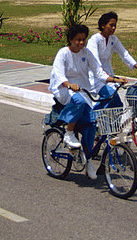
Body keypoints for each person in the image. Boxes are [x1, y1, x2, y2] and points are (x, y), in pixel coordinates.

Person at [49, 23, 126, 180]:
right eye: (78, 40)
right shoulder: (63, 53)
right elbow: (58, 74)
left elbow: (98, 72)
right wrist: (69, 84)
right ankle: (69, 133)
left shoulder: (86, 53)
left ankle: (88, 160)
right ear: (70, 39)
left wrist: (115, 79)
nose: (81, 43)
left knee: (91, 124)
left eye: (83, 39)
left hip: (83, 90)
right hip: (64, 90)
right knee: (79, 101)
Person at [87, 11, 137, 103]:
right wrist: (115, 79)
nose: (113, 28)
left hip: (109, 77)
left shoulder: (113, 39)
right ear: (103, 25)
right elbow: (95, 63)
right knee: (111, 99)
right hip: (95, 79)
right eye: (111, 25)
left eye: (115, 25)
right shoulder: (94, 40)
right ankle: (93, 116)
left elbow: (124, 54)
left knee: (117, 105)